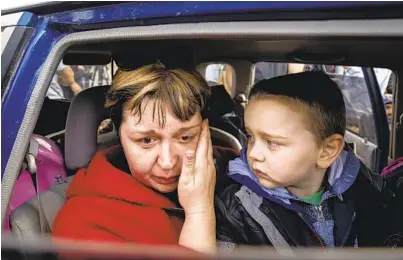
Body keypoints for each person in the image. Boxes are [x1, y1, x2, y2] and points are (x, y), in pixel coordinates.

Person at [52, 63, 236, 254]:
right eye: (146, 140)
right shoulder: (83, 226)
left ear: (204, 131)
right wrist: (200, 212)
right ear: (119, 135)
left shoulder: (234, 167)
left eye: (185, 137)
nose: (168, 162)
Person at [215, 71, 401, 252]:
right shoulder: (235, 207)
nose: (253, 153)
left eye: (272, 142)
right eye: (250, 136)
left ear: (327, 151)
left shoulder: (366, 186)